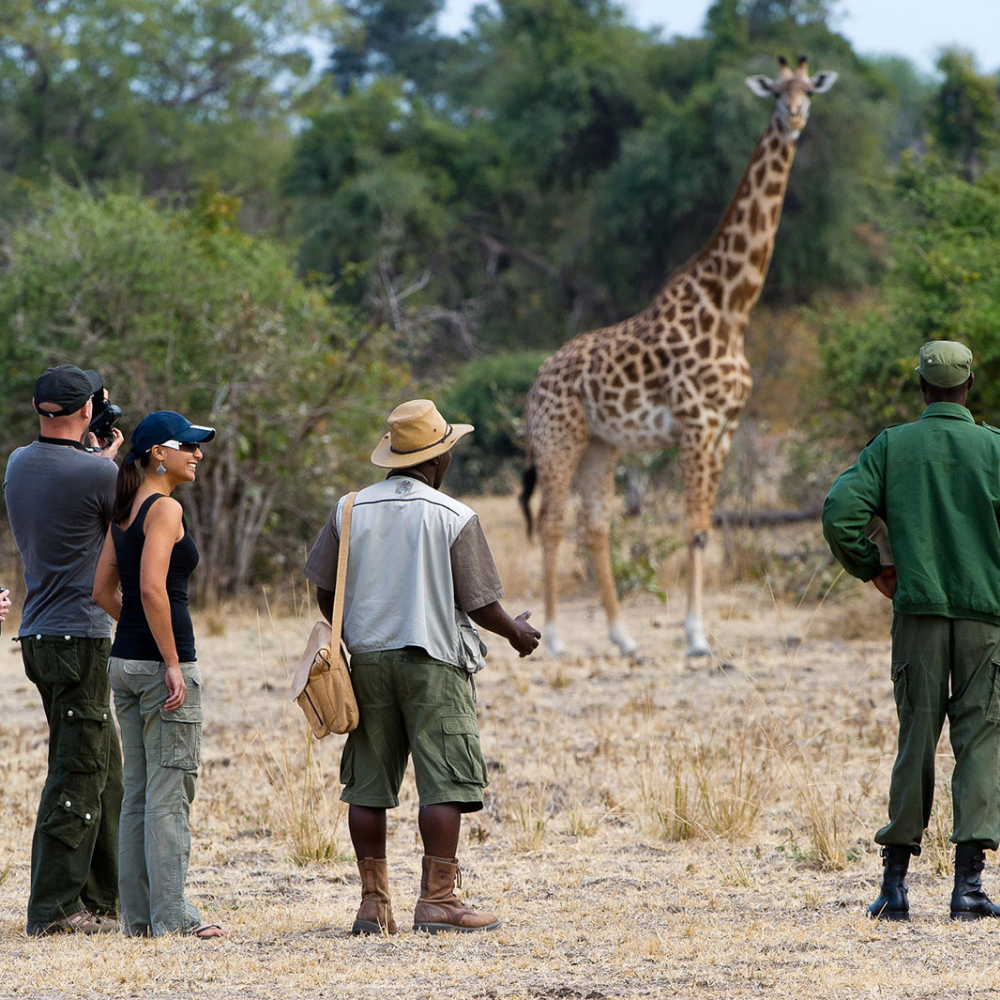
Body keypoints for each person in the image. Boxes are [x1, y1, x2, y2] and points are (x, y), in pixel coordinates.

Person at [304, 399, 541, 936]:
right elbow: (480, 603)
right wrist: (516, 633)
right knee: (444, 782)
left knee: (367, 784)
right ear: (436, 460)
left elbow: (325, 591)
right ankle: (437, 901)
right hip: (434, 662)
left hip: (366, 663)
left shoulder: (349, 509)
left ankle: (373, 904)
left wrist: (359, 623)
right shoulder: (453, 516)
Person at [823, 340, 1000, 922]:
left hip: (918, 614)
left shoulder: (892, 446)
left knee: (915, 740)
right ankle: (968, 889)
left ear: (923, 389)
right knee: (982, 739)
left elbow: (839, 512)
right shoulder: (994, 448)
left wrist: (872, 567)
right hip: (985, 619)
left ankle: (895, 887)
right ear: (968, 387)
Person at [91, 410, 227, 939]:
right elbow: (150, 588)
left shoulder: (124, 509)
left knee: (139, 795)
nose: (197, 455)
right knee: (168, 795)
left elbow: (102, 591)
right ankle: (173, 918)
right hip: (159, 669)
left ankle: (139, 918)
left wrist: (135, 635)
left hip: (124, 665)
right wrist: (171, 662)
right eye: (187, 446)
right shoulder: (165, 508)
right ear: (158, 454)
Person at [4, 364, 125, 936]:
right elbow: (123, 521)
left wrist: (96, 457)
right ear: (87, 411)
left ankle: (105, 898)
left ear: (38, 408)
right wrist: (107, 461)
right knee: (78, 770)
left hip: (39, 632)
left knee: (105, 767)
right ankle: (53, 908)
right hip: (79, 635)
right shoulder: (98, 473)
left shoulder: (17, 463)